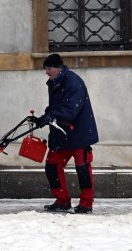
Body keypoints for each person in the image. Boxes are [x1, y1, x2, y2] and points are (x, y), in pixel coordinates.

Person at [34, 53, 99, 214]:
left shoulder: (73, 82)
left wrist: (52, 115)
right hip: (61, 132)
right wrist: (46, 116)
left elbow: (71, 109)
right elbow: (57, 106)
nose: (47, 72)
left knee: (82, 168)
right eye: (46, 68)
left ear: (58, 68)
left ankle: (86, 203)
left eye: (49, 68)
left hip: (78, 132)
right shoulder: (54, 82)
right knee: (52, 166)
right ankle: (62, 201)